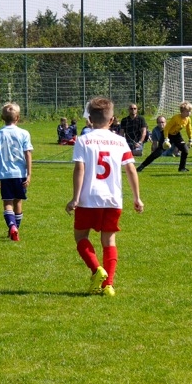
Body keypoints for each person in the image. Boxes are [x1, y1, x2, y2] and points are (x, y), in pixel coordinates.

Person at [65, 96, 144, 297]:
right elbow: (131, 169)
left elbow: (80, 169)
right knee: (109, 241)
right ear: (112, 120)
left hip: (88, 198)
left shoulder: (83, 140)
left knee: (80, 237)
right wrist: (137, 197)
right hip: (113, 198)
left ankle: (96, 270)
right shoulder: (120, 141)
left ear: (90, 119)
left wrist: (75, 198)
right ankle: (108, 285)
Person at [0, 103, 33, 241]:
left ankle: (12, 226)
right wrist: (29, 174)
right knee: (18, 202)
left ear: (2, 118)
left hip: (4, 174)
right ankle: (15, 229)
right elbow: (28, 154)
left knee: (7, 203)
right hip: (20, 173)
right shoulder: (24, 133)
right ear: (18, 118)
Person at [137, 101, 192, 173]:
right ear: (182, 111)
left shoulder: (188, 119)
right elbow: (166, 128)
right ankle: (141, 166)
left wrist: (190, 139)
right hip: (167, 134)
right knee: (158, 152)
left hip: (176, 135)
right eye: (188, 111)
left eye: (190, 111)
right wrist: (166, 139)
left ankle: (182, 168)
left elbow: (189, 129)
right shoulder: (175, 118)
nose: (189, 113)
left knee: (185, 150)